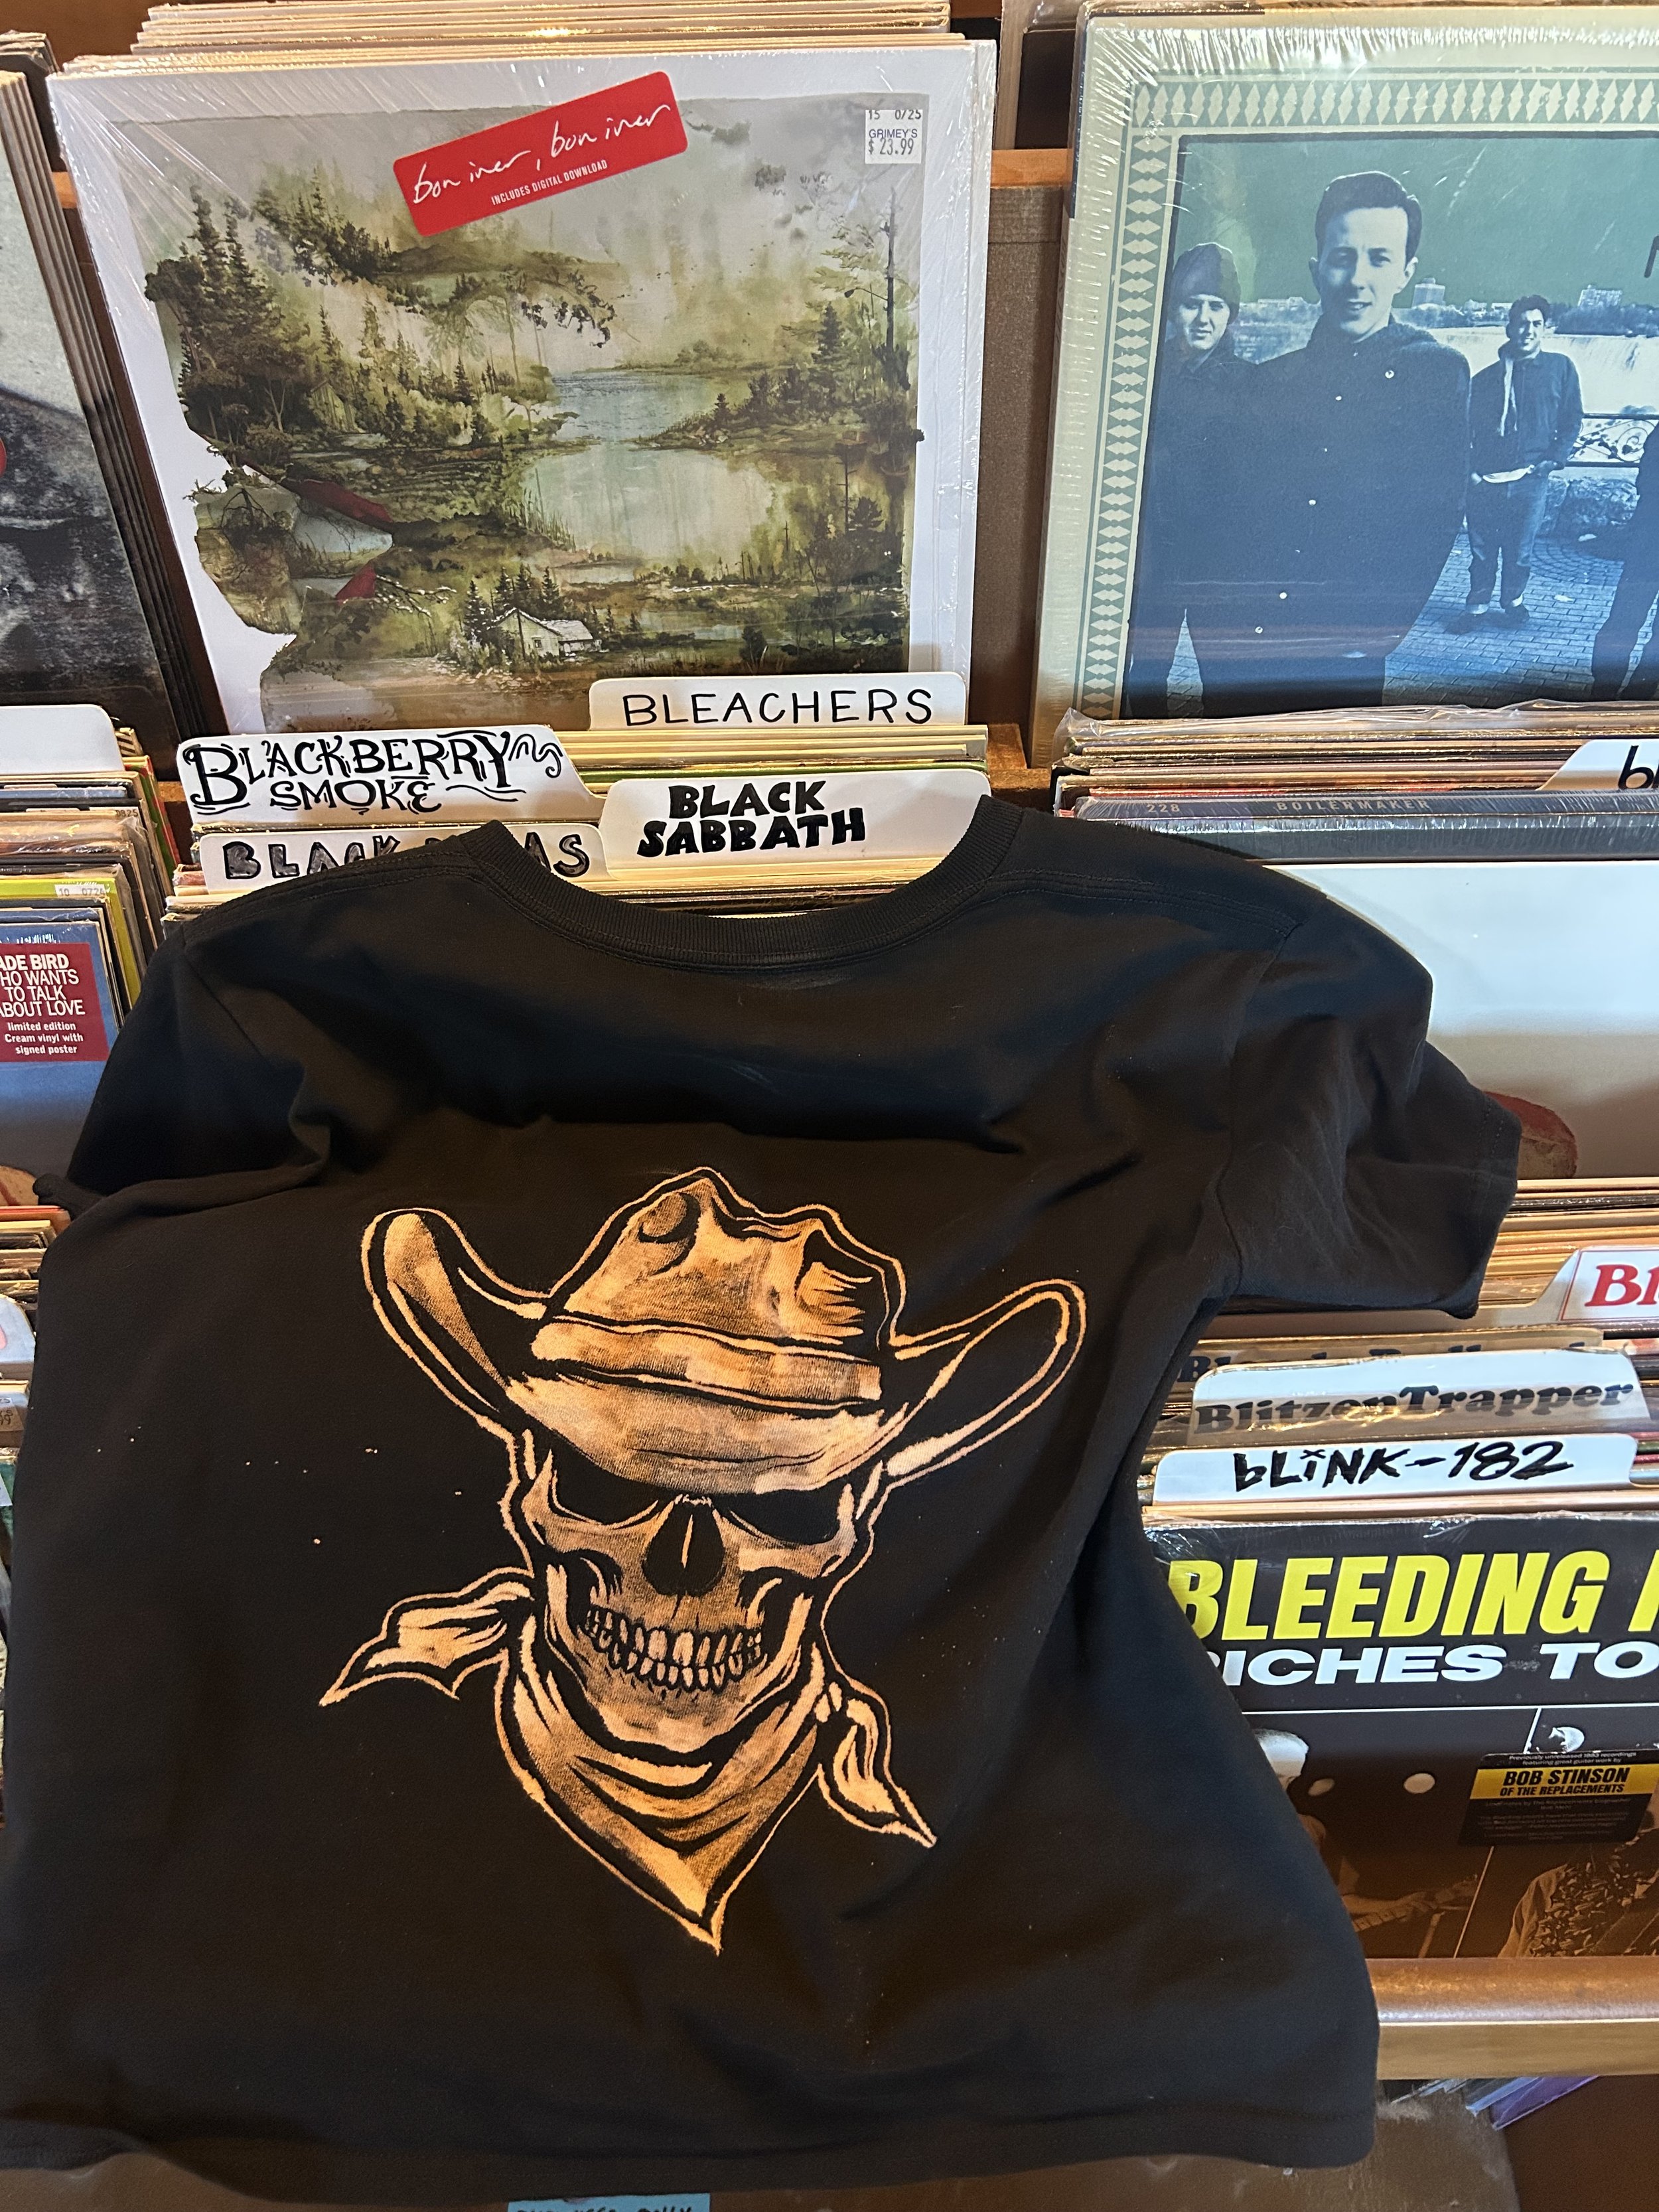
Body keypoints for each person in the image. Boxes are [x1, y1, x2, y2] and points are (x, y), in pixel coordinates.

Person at [1227, 171, 1470, 711]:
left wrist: (1379, 632)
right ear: (1317, 270)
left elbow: (1435, 515)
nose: (1357, 279)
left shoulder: (1433, 373)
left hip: (1348, 650)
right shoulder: (1270, 381)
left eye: (1379, 259)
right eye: (1342, 258)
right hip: (1251, 647)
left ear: (1407, 272)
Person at [1122, 241, 1254, 715]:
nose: (1204, 318)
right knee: (1145, 676)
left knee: (1221, 677)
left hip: (1218, 561)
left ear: (1230, 315)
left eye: (1217, 306)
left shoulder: (1250, 384)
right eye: (1192, 304)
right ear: (1173, 310)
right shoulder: (1145, 380)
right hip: (1156, 558)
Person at [1454, 295, 1582, 630]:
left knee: (1520, 551)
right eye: (1522, 323)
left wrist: (1553, 461)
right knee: (1482, 552)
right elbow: (1464, 432)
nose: (1528, 330)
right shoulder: (1484, 380)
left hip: (1530, 480)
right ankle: (1476, 607)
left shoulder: (1561, 369)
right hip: (1486, 482)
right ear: (1509, 327)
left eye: (1537, 324)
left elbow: (1572, 420)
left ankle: (1513, 603)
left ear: (1546, 329)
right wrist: (1471, 473)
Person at [1592, 423, 1659, 697]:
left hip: (1649, 537)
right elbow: (1648, 479)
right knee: (1624, 619)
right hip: (1650, 540)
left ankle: (1638, 692)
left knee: (1624, 618)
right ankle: (1606, 689)